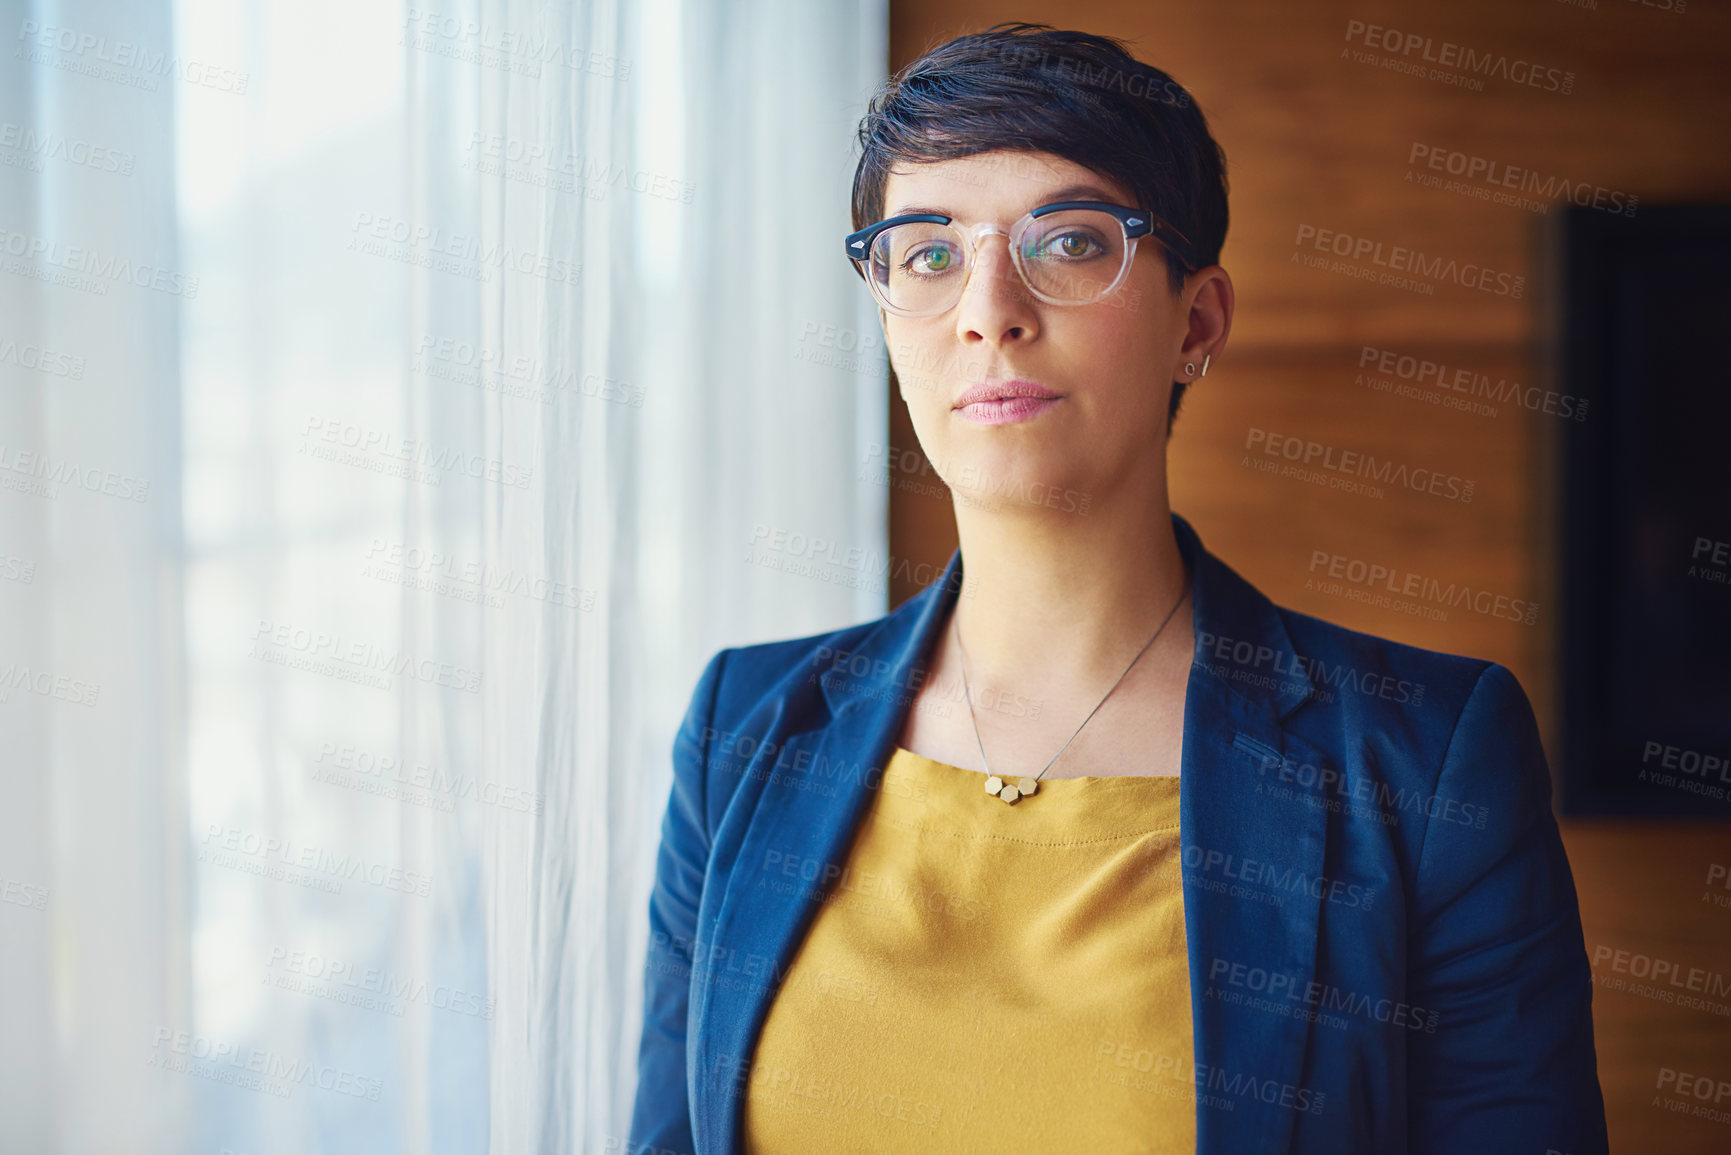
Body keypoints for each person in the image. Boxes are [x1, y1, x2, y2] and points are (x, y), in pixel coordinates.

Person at [628, 22, 1607, 1155]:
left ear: (1196, 321)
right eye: (929, 254)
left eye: (1071, 241)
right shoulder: (743, 731)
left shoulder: (1422, 763)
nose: (989, 310)